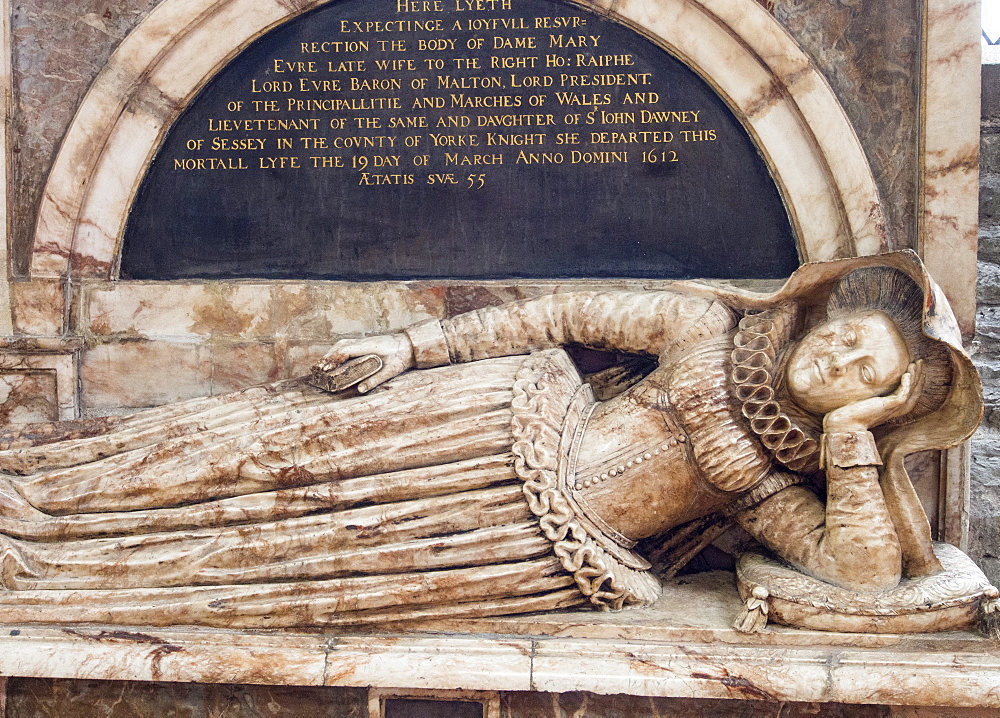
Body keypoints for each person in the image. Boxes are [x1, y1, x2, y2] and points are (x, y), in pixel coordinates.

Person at [0, 252, 981, 629]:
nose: (840, 365)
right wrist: (408, 345)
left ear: (887, 405)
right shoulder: (704, 331)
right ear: (823, 315)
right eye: (848, 340)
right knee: (254, 450)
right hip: (469, 426)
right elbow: (544, 316)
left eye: (868, 379)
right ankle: (44, 488)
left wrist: (851, 444)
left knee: (281, 554)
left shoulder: (766, 480)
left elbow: (859, 573)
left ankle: (58, 565)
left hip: (513, 548)